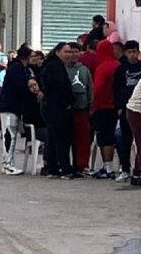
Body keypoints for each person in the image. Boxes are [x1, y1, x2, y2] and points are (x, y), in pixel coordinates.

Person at [112, 40, 141, 182]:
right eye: (129, 52)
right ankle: (125, 168)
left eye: (135, 52)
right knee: (124, 140)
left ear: (138, 52)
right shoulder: (121, 69)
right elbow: (115, 89)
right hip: (126, 108)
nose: (133, 55)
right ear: (125, 53)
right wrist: (118, 107)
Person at [39, 43, 75, 178]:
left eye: (70, 52)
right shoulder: (55, 66)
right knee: (61, 139)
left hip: (51, 106)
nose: (69, 55)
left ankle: (52, 168)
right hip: (57, 107)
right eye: (66, 52)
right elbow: (59, 88)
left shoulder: (51, 65)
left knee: (53, 138)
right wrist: (68, 102)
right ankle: (65, 169)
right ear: (58, 52)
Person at [0, 46, 33, 175]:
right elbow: (20, 87)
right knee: (9, 136)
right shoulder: (17, 69)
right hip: (10, 106)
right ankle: (7, 164)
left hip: (12, 106)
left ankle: (8, 163)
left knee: (11, 136)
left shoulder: (19, 68)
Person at [90, 39, 121, 179]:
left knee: (104, 137)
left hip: (103, 106)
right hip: (116, 106)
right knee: (111, 136)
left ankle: (108, 168)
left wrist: (93, 105)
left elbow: (98, 88)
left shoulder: (102, 67)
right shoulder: (118, 64)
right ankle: (110, 166)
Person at [65, 42, 93, 177]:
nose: (73, 55)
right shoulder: (62, 69)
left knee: (82, 139)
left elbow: (90, 88)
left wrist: (91, 105)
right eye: (70, 52)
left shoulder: (84, 70)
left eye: (76, 52)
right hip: (66, 110)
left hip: (82, 108)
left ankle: (82, 165)